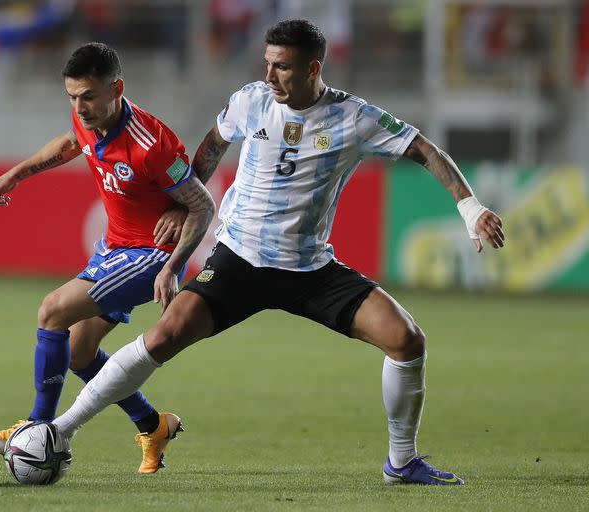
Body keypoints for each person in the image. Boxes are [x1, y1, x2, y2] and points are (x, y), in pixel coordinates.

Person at [49, 20, 505, 485]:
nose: (269, 77)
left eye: (281, 67)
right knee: (164, 336)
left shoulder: (355, 117)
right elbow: (211, 145)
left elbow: (425, 150)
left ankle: (402, 462)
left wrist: (470, 208)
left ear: (313, 68)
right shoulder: (252, 100)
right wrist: (183, 204)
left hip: (310, 268)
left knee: (408, 341)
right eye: (267, 64)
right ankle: (61, 432)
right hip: (239, 260)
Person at [0, 42, 215, 474]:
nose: (80, 106)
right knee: (80, 352)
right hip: (113, 246)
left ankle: (36, 427)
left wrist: (170, 266)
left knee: (52, 310)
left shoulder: (151, 145)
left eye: (88, 96)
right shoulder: (86, 118)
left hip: (149, 256)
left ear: (116, 88)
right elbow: (71, 144)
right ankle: (153, 424)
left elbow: (202, 206)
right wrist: (15, 174)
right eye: (72, 96)